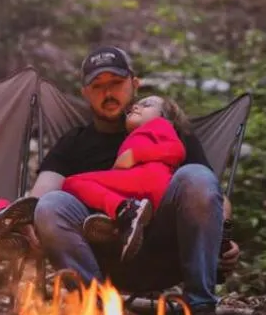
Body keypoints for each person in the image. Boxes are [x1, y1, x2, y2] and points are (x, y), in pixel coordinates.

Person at [30, 46, 241, 315]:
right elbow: (41, 196)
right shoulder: (74, 143)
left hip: (166, 248)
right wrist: (29, 219)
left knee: (196, 175)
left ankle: (202, 312)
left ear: (134, 83)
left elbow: (212, 195)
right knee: (51, 205)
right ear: (85, 93)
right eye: (98, 86)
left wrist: (223, 234)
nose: (108, 93)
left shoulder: (170, 131)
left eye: (115, 83)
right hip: (98, 255)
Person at [61, 95, 191, 262]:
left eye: (147, 105)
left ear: (165, 117)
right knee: (83, 185)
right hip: (140, 188)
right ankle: (124, 221)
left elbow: (177, 150)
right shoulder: (138, 135)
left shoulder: (161, 125)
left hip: (149, 180)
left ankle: (123, 210)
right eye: (136, 104)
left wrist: (134, 155)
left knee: (72, 182)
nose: (136, 106)